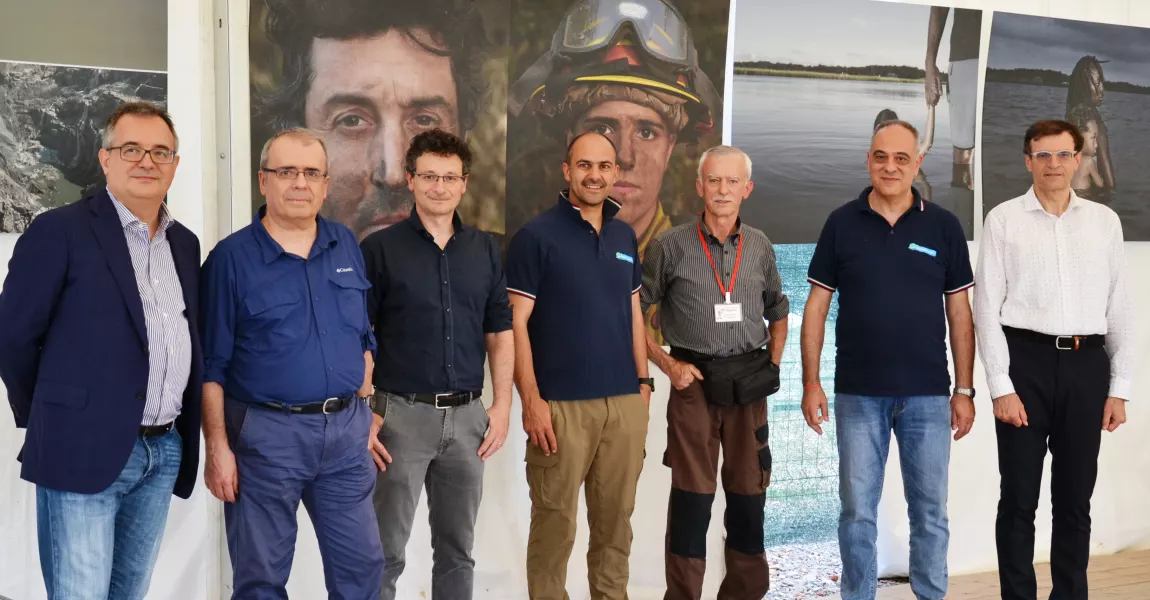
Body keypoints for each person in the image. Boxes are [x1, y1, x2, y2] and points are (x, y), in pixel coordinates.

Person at [0, 101, 202, 600]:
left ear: (175, 165)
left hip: (163, 449)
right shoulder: (59, 230)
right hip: (80, 445)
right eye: (130, 148)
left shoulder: (185, 244)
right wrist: (50, 412)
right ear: (105, 158)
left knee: (128, 593)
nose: (146, 161)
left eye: (160, 151)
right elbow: (12, 336)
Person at [200, 129, 384, 598]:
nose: (299, 183)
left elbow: (363, 336)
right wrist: (218, 448)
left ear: (325, 184)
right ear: (264, 181)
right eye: (286, 172)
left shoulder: (344, 243)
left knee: (362, 569)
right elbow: (211, 366)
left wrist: (365, 406)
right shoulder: (230, 259)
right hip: (266, 438)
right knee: (261, 578)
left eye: (311, 173)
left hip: (345, 439)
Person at [801, 120, 976, 600]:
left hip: (928, 396)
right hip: (858, 394)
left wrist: (964, 390)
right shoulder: (841, 222)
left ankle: (930, 595)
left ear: (918, 163)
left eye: (902, 158)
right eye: (881, 156)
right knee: (857, 511)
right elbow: (815, 307)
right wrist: (811, 383)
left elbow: (959, 314)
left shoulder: (943, 225)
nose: (891, 166)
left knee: (930, 513)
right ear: (868, 160)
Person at [973, 119, 1132, 600]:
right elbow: (985, 308)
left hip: (1088, 367)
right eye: (1042, 155)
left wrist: (1119, 388)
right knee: (1018, 500)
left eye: (1063, 154)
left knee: (1074, 501)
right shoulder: (1003, 219)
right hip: (1025, 365)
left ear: (1079, 159)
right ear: (1028, 160)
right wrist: (1000, 385)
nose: (1054, 164)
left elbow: (1119, 305)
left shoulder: (1104, 222)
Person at [508, 0, 722, 343]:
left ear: (670, 148)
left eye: (647, 132)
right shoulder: (531, 249)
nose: (624, 156)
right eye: (603, 128)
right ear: (569, 141)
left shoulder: (703, 262)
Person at [360, 129, 514, 600]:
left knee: (457, 551)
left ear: (464, 183)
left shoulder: (484, 250)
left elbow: (499, 332)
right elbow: (360, 337)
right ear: (411, 180)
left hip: (469, 419)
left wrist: (502, 405)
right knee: (385, 553)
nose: (440, 187)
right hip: (399, 419)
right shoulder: (380, 250)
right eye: (429, 176)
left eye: (450, 177)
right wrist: (365, 409)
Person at [505, 131, 652, 599]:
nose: (595, 175)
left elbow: (632, 314)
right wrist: (531, 401)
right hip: (561, 409)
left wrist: (644, 384)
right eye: (584, 165)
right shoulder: (535, 237)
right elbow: (516, 324)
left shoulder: (625, 235)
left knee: (615, 531)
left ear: (615, 173)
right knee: (555, 530)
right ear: (567, 171)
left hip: (622, 404)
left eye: (605, 166)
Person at [640, 145, 788, 599]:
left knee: (748, 496)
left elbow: (779, 310)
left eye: (732, 182)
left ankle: (744, 593)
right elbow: (634, 311)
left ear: (748, 189)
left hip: (749, 386)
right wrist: (667, 365)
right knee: (691, 501)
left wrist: (774, 366)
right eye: (714, 181)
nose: (723, 190)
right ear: (699, 186)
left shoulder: (760, 246)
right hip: (694, 385)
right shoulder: (670, 246)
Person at [257, 0, 492, 241]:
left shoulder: (489, 267)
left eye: (424, 120)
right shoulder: (246, 270)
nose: (394, 174)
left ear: (464, 143)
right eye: (351, 121)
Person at [926, 7, 981, 189]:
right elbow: (939, 8)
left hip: (1005, 52)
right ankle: (963, 211)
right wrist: (929, 62)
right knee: (963, 154)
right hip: (967, 54)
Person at [1065, 57, 1116, 197]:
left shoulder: (1070, 119)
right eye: (1097, 82)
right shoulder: (1094, 123)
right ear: (1083, 85)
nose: (1102, 89)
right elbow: (1110, 184)